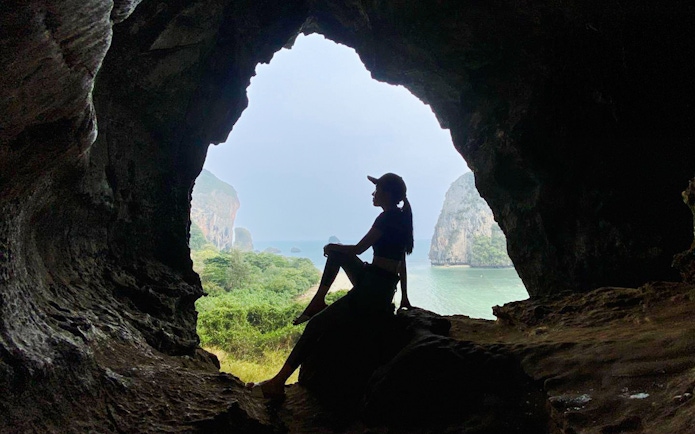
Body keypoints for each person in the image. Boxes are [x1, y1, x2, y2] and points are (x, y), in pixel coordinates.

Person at [247, 173, 414, 399]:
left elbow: (358, 249)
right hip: (381, 285)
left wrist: (332, 245)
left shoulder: (386, 219)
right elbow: (401, 262)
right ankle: (318, 301)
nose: (372, 194)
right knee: (336, 253)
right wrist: (403, 297)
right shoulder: (401, 217)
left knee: (315, 326)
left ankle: (277, 382)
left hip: (372, 289)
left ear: (386, 193)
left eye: (376, 190)